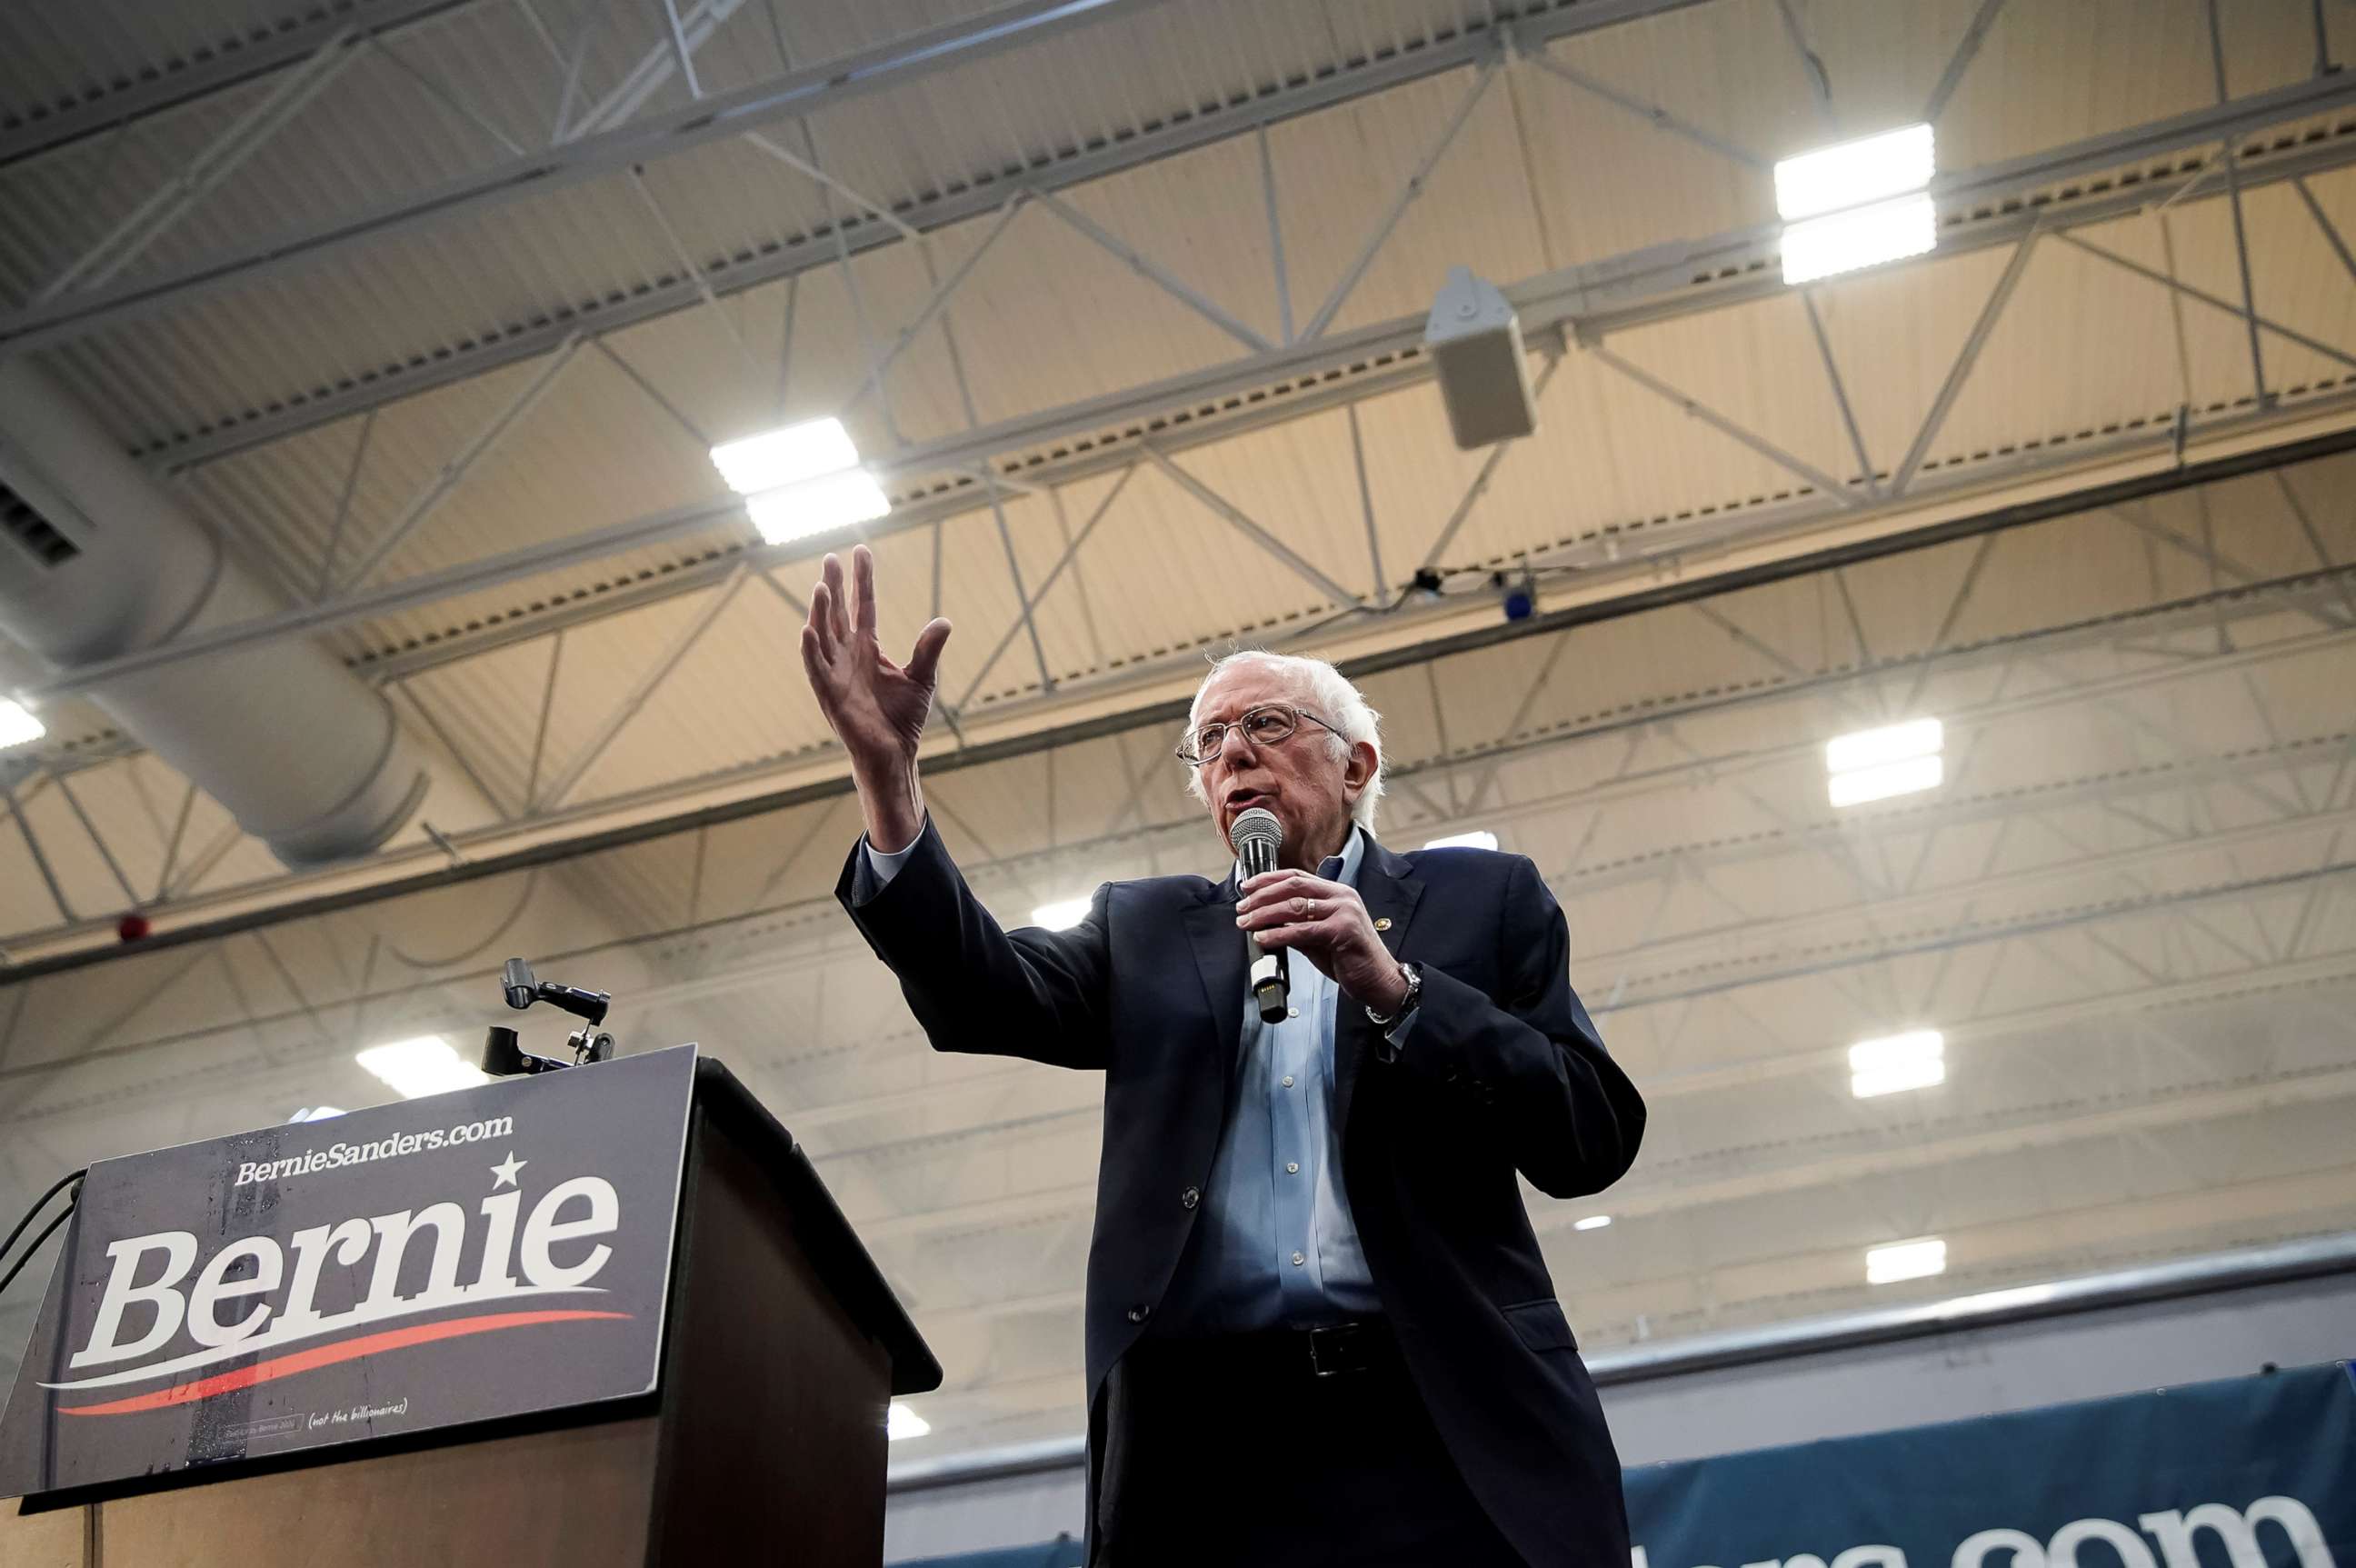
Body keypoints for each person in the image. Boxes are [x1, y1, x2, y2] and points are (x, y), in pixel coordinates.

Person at [801, 544, 1645, 1567]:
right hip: (1205, 1456)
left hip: (1442, 1419)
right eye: (1209, 742)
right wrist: (888, 780)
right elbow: (980, 993)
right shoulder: (1145, 929)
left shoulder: (1484, 900)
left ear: (1357, 765)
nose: (1233, 752)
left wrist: (1399, 992)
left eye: (1268, 725)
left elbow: (1588, 1136)